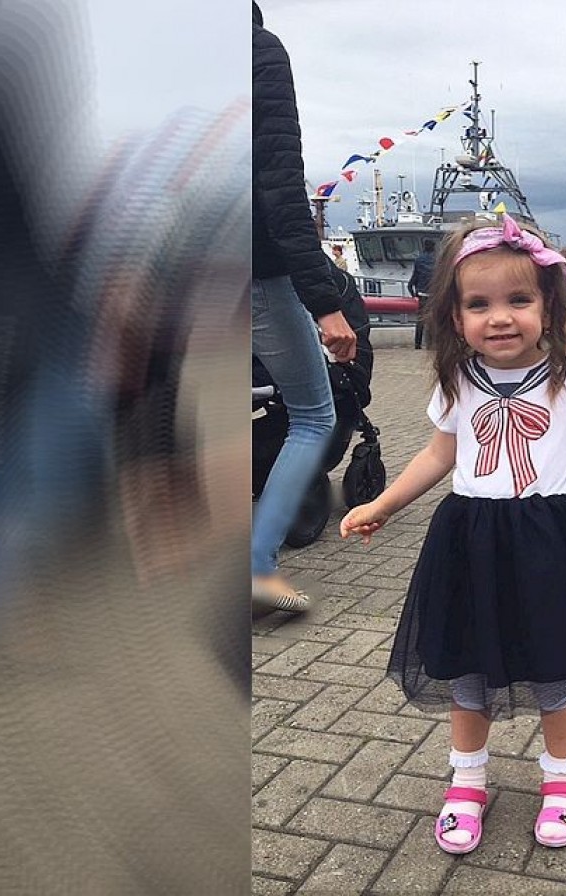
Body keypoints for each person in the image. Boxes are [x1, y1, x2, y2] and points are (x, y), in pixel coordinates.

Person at [338, 215, 566, 855]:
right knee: (466, 668)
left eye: (519, 300)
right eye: (479, 304)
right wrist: (384, 504)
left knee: (555, 667)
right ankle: (467, 781)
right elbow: (439, 455)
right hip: (469, 541)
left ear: (550, 308)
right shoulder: (458, 380)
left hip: (550, 544)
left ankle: (563, 780)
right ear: (454, 318)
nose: (499, 317)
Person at [252, 1, 357, 612]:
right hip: (253, 274)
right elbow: (280, 188)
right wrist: (325, 304)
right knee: (313, 415)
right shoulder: (256, 50)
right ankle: (256, 570)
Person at [410, 238, 437, 349]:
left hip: (422, 294)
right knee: (433, 320)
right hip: (434, 294)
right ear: (434, 247)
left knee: (420, 320)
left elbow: (414, 278)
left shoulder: (419, 260)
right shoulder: (438, 260)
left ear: (424, 247)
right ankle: (431, 344)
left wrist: (413, 294)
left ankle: (417, 344)